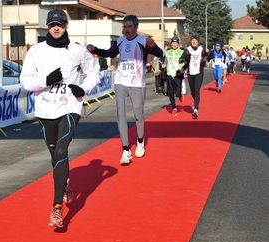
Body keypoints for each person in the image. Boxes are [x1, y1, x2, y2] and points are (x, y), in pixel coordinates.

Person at [20, 8, 100, 228]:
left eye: (60, 24)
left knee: (63, 151)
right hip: (45, 109)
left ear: (66, 26)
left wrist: (82, 89)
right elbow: (25, 81)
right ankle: (63, 184)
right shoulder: (36, 51)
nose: (56, 27)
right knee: (55, 155)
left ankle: (56, 208)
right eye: (52, 24)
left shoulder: (77, 50)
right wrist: (45, 80)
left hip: (70, 107)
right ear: (47, 27)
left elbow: (94, 72)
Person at [87, 14, 163, 164]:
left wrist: (153, 46)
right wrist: (95, 49)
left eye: (129, 27)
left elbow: (159, 54)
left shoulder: (142, 41)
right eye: (125, 26)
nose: (127, 29)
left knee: (138, 115)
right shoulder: (120, 41)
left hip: (137, 83)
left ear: (136, 27)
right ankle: (126, 150)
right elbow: (110, 53)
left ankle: (140, 141)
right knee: (120, 115)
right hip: (121, 81)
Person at [179, 34, 206, 119]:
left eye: (195, 40)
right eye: (192, 40)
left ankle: (195, 110)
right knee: (193, 91)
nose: (194, 42)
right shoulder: (188, 50)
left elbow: (206, 56)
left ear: (198, 41)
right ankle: (195, 102)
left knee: (197, 90)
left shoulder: (202, 49)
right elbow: (181, 59)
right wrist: (185, 58)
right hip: (190, 73)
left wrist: (205, 62)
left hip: (199, 72)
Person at [162, 37, 184, 116]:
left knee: (177, 92)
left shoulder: (182, 52)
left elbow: (185, 61)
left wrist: (183, 69)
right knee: (170, 92)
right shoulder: (168, 52)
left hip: (178, 74)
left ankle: (180, 94)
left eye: (176, 43)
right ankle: (174, 108)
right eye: (173, 43)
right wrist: (164, 65)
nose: (174, 44)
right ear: (171, 44)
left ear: (178, 44)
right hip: (169, 74)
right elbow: (165, 61)